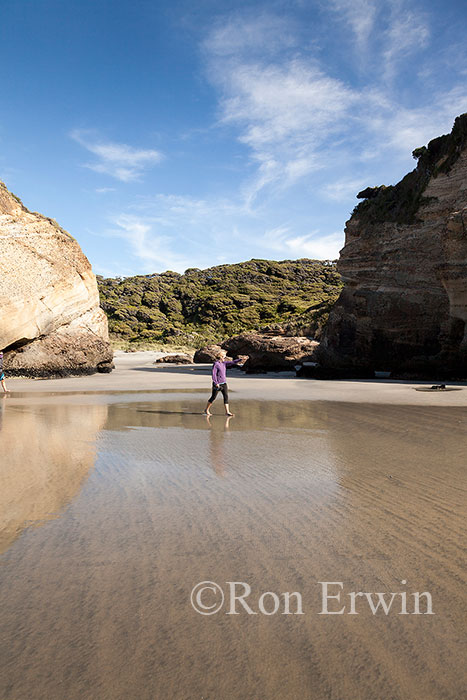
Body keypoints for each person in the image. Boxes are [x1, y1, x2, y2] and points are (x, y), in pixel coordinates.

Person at [204, 349, 244, 416]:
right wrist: (216, 383)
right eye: (224, 357)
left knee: (226, 397)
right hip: (217, 384)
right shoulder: (216, 364)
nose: (225, 358)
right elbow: (214, 374)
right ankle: (206, 409)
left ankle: (227, 412)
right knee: (213, 397)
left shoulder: (224, 363)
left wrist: (240, 360)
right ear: (221, 357)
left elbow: (232, 362)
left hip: (224, 383)